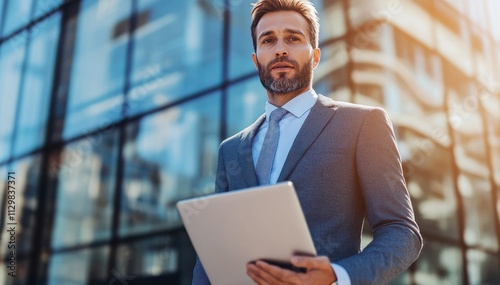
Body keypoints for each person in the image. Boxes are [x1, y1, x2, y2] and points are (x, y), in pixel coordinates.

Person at [192, 0, 423, 284]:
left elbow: (402, 231)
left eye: (293, 38)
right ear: (256, 60)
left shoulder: (362, 124)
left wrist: (338, 275)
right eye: (268, 40)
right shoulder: (230, 150)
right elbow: (214, 248)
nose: (280, 48)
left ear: (315, 56)